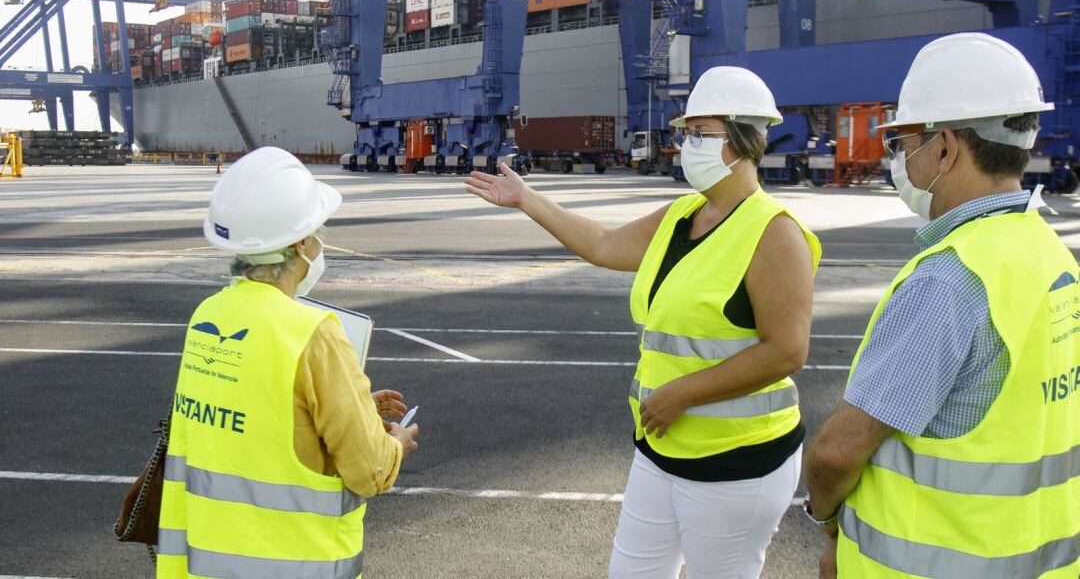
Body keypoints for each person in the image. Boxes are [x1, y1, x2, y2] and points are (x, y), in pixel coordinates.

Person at [465, 66, 821, 578]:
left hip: (736, 460)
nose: (686, 145)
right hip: (660, 445)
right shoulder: (683, 214)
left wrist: (683, 394)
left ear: (743, 139)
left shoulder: (774, 233)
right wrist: (528, 200)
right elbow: (605, 245)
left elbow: (787, 350)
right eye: (686, 133)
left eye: (700, 134)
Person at [804, 33, 1080, 578]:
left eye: (903, 143)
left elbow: (836, 453)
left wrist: (824, 520)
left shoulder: (949, 279)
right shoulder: (1051, 253)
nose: (898, 160)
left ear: (947, 148)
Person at [156, 147, 419, 579]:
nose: (321, 241)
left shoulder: (208, 315)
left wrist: (350, 407)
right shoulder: (313, 332)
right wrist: (397, 444)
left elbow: (259, 417)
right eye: (318, 230)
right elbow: (369, 469)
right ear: (300, 243)